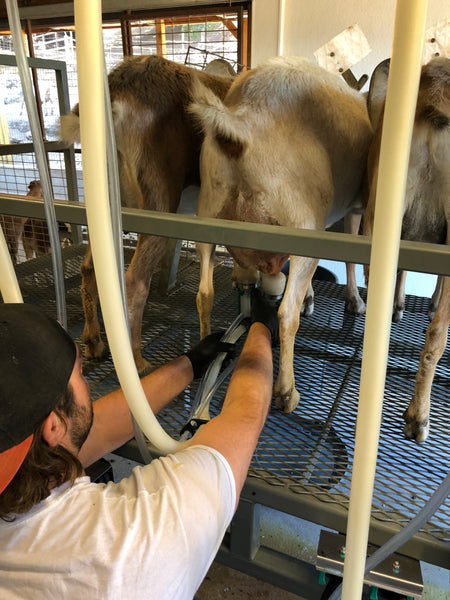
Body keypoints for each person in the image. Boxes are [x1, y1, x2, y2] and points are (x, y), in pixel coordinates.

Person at [0, 290, 278, 600]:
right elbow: (245, 415)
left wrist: (190, 365)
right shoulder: (131, 548)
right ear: (52, 425)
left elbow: (96, 427)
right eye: (80, 373)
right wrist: (262, 328)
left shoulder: (19, 463)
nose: (87, 382)